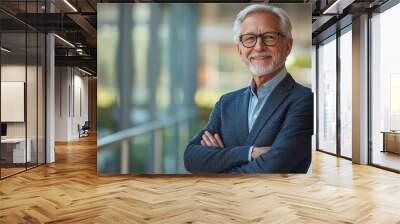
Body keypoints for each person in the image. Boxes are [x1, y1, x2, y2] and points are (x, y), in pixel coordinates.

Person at [184, 4, 313, 173]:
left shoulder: (305, 100)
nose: (259, 47)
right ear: (239, 49)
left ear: (288, 46)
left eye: (269, 37)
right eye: (249, 38)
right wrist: (249, 153)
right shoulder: (226, 103)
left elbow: (273, 167)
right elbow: (191, 158)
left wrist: (218, 163)